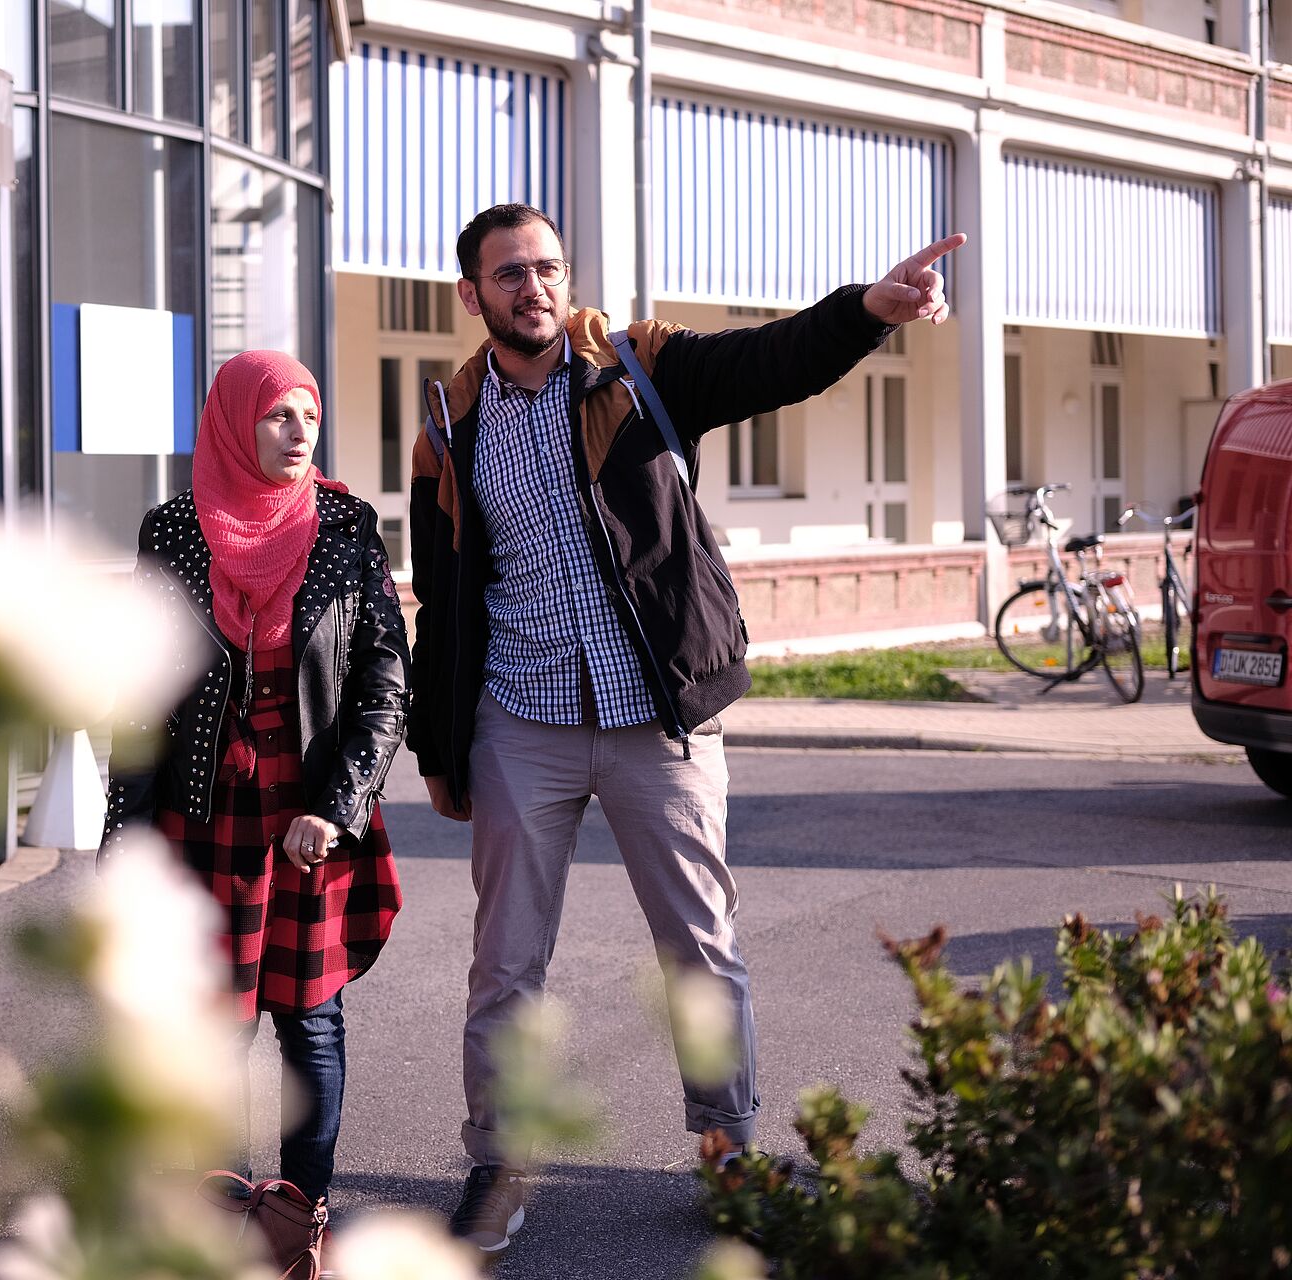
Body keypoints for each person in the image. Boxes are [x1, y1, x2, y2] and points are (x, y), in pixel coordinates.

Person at [406, 202, 964, 1252]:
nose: (535, 287)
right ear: (472, 294)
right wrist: (442, 746)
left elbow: (768, 362)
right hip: (520, 717)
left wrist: (866, 312)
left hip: (655, 713)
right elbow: (443, 594)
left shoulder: (636, 366)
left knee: (702, 949)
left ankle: (728, 1147)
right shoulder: (451, 420)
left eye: (547, 267)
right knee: (506, 962)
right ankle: (498, 1160)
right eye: (510, 273)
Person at [100, 348, 411, 1213]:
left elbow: (386, 681)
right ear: (237, 422)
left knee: (310, 1021)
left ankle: (299, 1209)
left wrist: (338, 807)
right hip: (204, 808)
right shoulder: (171, 530)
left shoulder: (347, 526)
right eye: (279, 414)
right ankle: (220, 1207)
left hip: (308, 809)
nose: (297, 431)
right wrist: (122, 835)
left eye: (310, 415)